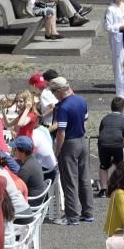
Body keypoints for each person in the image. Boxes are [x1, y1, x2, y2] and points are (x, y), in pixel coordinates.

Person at [51, 77, 92, 226]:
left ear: (60, 91)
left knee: (69, 181)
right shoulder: (81, 100)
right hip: (82, 140)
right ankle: (88, 212)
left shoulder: (62, 107)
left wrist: (57, 150)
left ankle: (72, 216)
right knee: (84, 178)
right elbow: (85, 121)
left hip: (69, 143)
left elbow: (61, 132)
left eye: (54, 91)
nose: (53, 94)